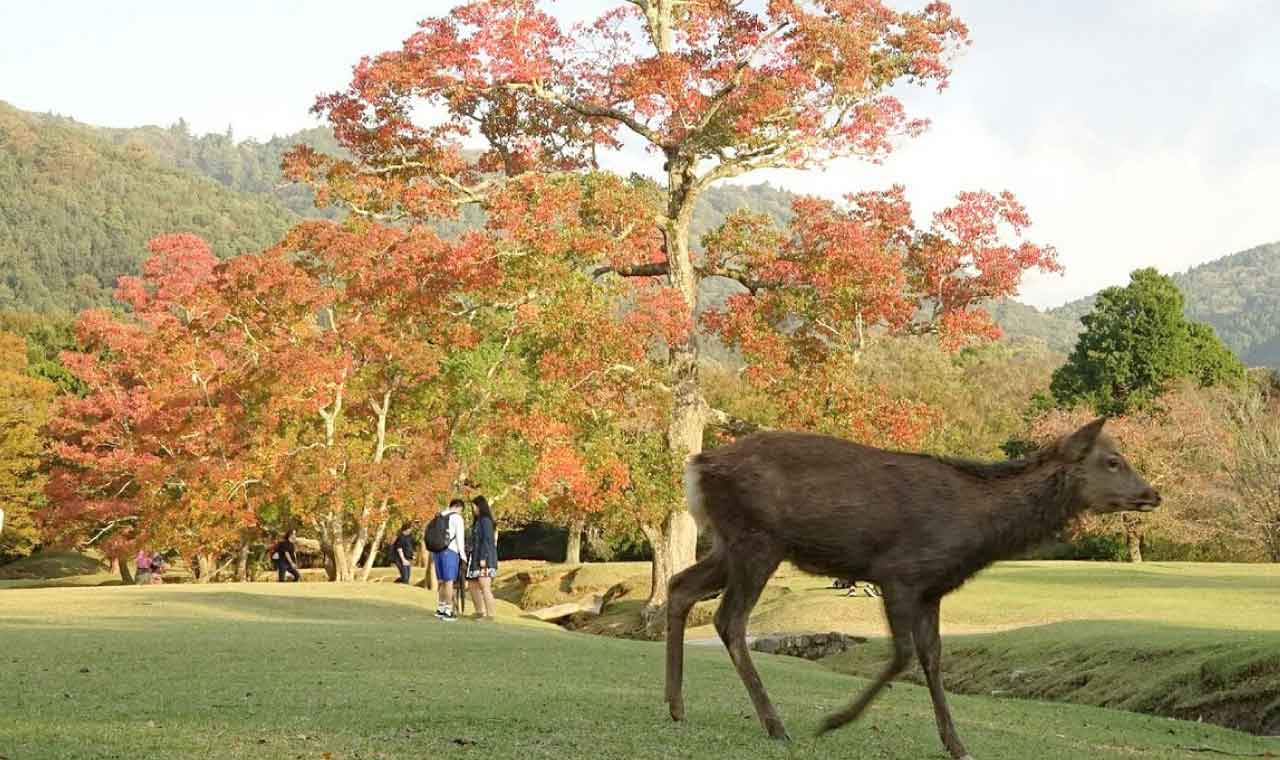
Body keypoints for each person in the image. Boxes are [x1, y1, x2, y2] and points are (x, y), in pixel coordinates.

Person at [431, 499, 467, 621]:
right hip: (450, 551)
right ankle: (448, 610)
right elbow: (460, 539)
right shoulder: (457, 518)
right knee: (449, 581)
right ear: (459, 507)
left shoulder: (439, 515)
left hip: (437, 552)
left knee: (441, 581)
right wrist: (463, 556)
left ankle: (441, 608)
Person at [465, 495, 499, 620]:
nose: (473, 509)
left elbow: (487, 540)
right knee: (472, 584)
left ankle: (491, 614)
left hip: (485, 557)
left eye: (474, 506)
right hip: (474, 557)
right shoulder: (477, 522)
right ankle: (480, 611)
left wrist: (483, 557)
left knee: (484, 586)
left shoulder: (486, 521)